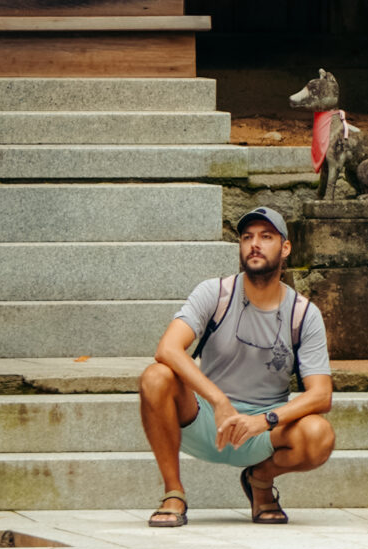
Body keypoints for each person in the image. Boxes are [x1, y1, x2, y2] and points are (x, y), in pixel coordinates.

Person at [138, 203, 334, 526]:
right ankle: (173, 491)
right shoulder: (215, 294)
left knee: (320, 435)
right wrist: (218, 400)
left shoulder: (303, 314)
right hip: (205, 420)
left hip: (262, 431)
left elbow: (321, 395)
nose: (254, 244)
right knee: (155, 377)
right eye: (247, 237)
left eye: (266, 236)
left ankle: (260, 480)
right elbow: (167, 349)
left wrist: (265, 420)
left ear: (285, 248)